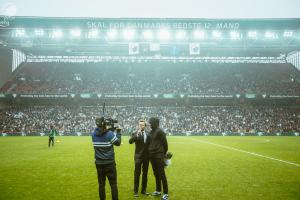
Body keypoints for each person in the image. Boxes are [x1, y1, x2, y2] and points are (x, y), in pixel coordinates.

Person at [92, 117, 121, 200]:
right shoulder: (109, 134)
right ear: (104, 124)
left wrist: (108, 128)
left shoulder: (93, 134)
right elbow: (118, 143)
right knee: (113, 184)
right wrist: (118, 132)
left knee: (101, 185)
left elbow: (101, 131)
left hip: (99, 163)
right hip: (109, 163)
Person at [148, 117, 169, 200]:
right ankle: (158, 190)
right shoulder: (151, 132)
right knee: (156, 173)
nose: (149, 124)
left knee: (162, 174)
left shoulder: (160, 131)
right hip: (152, 156)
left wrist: (162, 154)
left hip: (158, 156)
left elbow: (165, 145)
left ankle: (166, 194)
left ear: (154, 123)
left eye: (150, 122)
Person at [129, 120, 150, 197]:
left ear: (145, 126)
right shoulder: (135, 133)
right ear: (138, 125)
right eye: (140, 125)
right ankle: (135, 191)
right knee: (137, 174)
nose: (141, 126)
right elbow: (130, 141)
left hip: (146, 157)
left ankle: (143, 190)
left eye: (142, 125)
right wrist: (136, 134)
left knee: (145, 174)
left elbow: (150, 144)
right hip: (138, 156)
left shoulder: (148, 134)